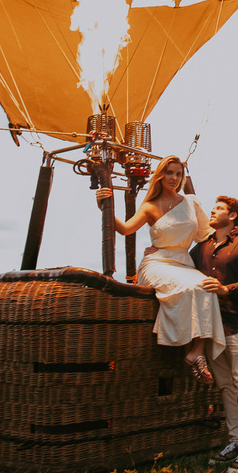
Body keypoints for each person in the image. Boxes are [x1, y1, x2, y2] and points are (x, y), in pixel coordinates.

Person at [96, 155, 223, 383]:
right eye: (169, 173)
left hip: (183, 262)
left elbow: (207, 233)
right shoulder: (150, 206)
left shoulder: (191, 202)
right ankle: (189, 351)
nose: (174, 178)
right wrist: (104, 207)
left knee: (206, 287)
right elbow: (125, 229)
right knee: (189, 288)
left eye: (178, 174)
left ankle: (196, 351)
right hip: (157, 262)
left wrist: (232, 231)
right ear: (160, 176)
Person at [190, 196, 238, 473]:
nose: (212, 210)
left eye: (219, 208)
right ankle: (235, 442)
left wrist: (225, 289)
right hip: (212, 327)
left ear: (232, 216)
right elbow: (184, 269)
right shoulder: (201, 248)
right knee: (225, 386)